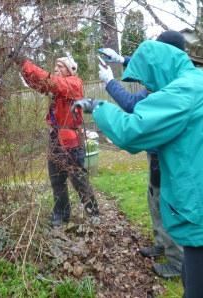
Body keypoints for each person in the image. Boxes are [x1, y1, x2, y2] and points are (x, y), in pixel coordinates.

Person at [73, 40, 203, 298]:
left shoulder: (184, 92)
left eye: (149, 81)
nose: (148, 88)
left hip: (198, 209)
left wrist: (98, 107)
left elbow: (133, 130)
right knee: (191, 277)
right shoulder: (195, 80)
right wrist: (122, 61)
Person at [96, 30, 185, 278]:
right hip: (156, 153)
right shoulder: (170, 75)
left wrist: (109, 82)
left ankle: (177, 261)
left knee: (164, 203)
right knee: (153, 199)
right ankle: (162, 244)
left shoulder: (168, 86)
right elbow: (150, 64)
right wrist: (121, 59)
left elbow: (133, 105)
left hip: (165, 155)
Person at [13, 55, 99, 227]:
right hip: (55, 140)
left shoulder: (74, 83)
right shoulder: (55, 87)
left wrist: (26, 63)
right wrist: (22, 67)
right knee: (56, 180)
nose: (56, 69)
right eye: (55, 66)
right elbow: (38, 84)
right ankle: (62, 213)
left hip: (71, 141)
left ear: (69, 70)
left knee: (79, 180)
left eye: (60, 66)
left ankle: (93, 212)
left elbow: (51, 82)